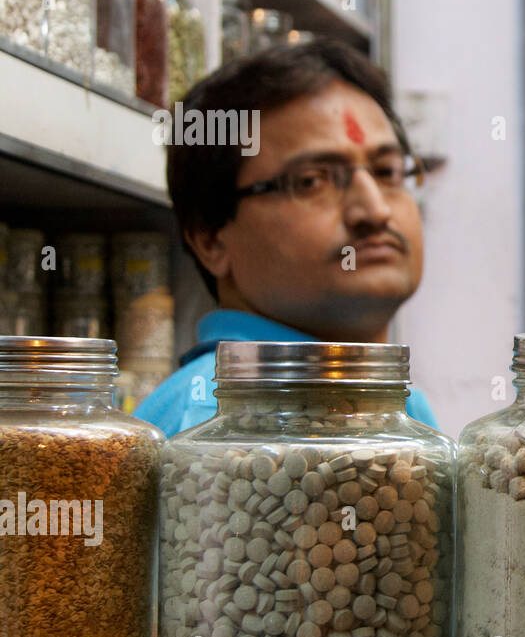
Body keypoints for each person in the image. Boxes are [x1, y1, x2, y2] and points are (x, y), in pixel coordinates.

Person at [135, 40, 437, 436]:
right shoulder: (219, 426)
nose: (375, 210)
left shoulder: (387, 399)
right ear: (211, 240)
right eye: (311, 181)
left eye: (387, 172)